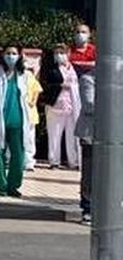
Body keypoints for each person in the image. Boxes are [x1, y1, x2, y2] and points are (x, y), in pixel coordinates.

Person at [0, 46, 36, 198]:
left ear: (20, 56)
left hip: (18, 119)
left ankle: (14, 185)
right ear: (2, 55)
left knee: (18, 154)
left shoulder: (24, 74)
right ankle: (2, 186)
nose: (11, 56)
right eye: (8, 53)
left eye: (14, 53)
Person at [43, 43, 81, 170]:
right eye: (56, 53)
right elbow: (45, 86)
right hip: (56, 105)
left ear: (68, 54)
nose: (59, 56)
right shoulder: (50, 69)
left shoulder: (74, 69)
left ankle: (74, 161)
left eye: (62, 53)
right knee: (54, 134)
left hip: (72, 106)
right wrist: (60, 86)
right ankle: (54, 161)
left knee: (72, 135)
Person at [77, 57, 97, 224]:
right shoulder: (88, 79)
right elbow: (90, 105)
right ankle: (87, 207)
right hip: (90, 134)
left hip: (112, 136)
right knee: (89, 173)